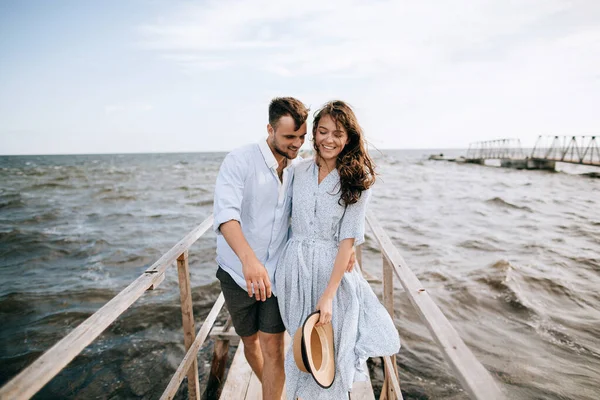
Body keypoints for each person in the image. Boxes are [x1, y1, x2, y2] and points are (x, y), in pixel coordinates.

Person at [275, 100, 401, 399]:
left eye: (338, 133)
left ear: (349, 138)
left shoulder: (356, 182)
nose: (329, 139)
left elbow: (348, 240)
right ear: (314, 134)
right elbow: (280, 220)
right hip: (295, 268)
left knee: (334, 350)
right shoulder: (297, 172)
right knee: (301, 350)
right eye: (322, 131)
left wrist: (328, 296)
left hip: (333, 271)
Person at [213, 97, 309, 400]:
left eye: (302, 137)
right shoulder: (239, 160)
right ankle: (272, 387)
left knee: (274, 348)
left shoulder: (298, 170)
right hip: (236, 271)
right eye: (289, 137)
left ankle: (272, 392)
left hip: (276, 274)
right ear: (270, 129)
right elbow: (226, 215)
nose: (297, 144)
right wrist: (249, 261)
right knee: (250, 342)